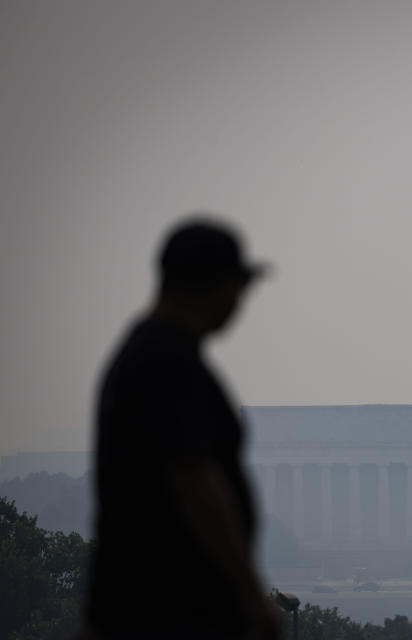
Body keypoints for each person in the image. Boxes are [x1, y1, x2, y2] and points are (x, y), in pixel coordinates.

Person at [85, 217, 279, 639]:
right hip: (166, 614)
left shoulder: (154, 352)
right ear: (221, 285)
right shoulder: (164, 359)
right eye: (240, 286)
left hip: (152, 608)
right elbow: (193, 480)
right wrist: (250, 593)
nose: (241, 302)